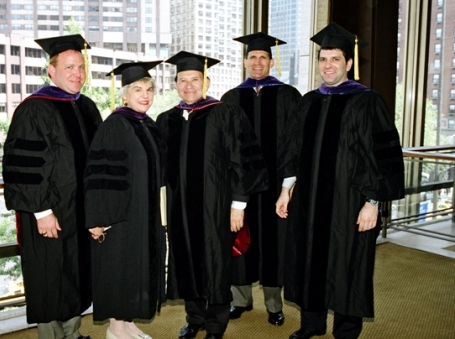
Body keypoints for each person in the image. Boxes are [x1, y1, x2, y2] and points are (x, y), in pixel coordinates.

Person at [275, 22, 405, 339]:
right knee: (309, 260)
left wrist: (372, 203)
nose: (328, 65)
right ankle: (311, 324)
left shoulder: (367, 102)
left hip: (349, 203)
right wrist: (285, 189)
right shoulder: (308, 102)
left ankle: (346, 331)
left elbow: (381, 155)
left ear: (349, 63)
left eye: (335, 59)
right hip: (308, 202)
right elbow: (293, 151)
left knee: (349, 264)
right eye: (323, 59)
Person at [156, 51, 269, 339]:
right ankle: (194, 318)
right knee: (186, 261)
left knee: (217, 264)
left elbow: (243, 161)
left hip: (217, 208)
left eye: (195, 79)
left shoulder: (225, 112)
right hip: (179, 209)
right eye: (183, 80)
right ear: (176, 84)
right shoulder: (167, 119)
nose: (189, 85)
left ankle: (216, 325)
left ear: (206, 81)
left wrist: (239, 204)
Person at [3, 34, 102, 339]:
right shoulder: (35, 109)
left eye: (81, 67)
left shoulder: (86, 107)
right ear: (52, 70)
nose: (77, 74)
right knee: (49, 277)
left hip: (81, 212)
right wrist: (42, 211)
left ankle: (72, 334)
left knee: (76, 275)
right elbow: (22, 166)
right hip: (49, 213)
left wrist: (98, 209)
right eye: (69, 67)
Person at [221, 32, 302, 326]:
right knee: (238, 239)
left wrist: (288, 186)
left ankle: (273, 304)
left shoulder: (288, 95)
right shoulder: (231, 98)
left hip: (275, 189)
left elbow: (295, 145)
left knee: (273, 244)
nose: (257, 62)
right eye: (252, 57)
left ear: (271, 61)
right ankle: (240, 299)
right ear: (245, 61)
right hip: (240, 188)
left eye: (263, 58)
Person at [84, 61, 166, 339]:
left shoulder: (148, 125)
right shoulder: (115, 125)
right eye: (138, 90)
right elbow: (101, 175)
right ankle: (116, 329)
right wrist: (99, 219)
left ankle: (128, 323)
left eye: (149, 89)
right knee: (122, 269)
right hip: (121, 218)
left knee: (137, 270)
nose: (145, 95)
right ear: (124, 95)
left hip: (144, 215)